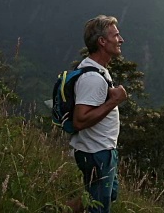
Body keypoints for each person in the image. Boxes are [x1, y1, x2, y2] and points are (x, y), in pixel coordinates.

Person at [67, 15, 127, 213]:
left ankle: (63, 209)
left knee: (106, 194)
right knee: (98, 207)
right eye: (116, 35)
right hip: (96, 152)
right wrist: (114, 101)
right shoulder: (92, 77)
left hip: (103, 150)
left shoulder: (98, 70)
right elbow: (79, 120)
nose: (121, 40)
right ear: (102, 41)